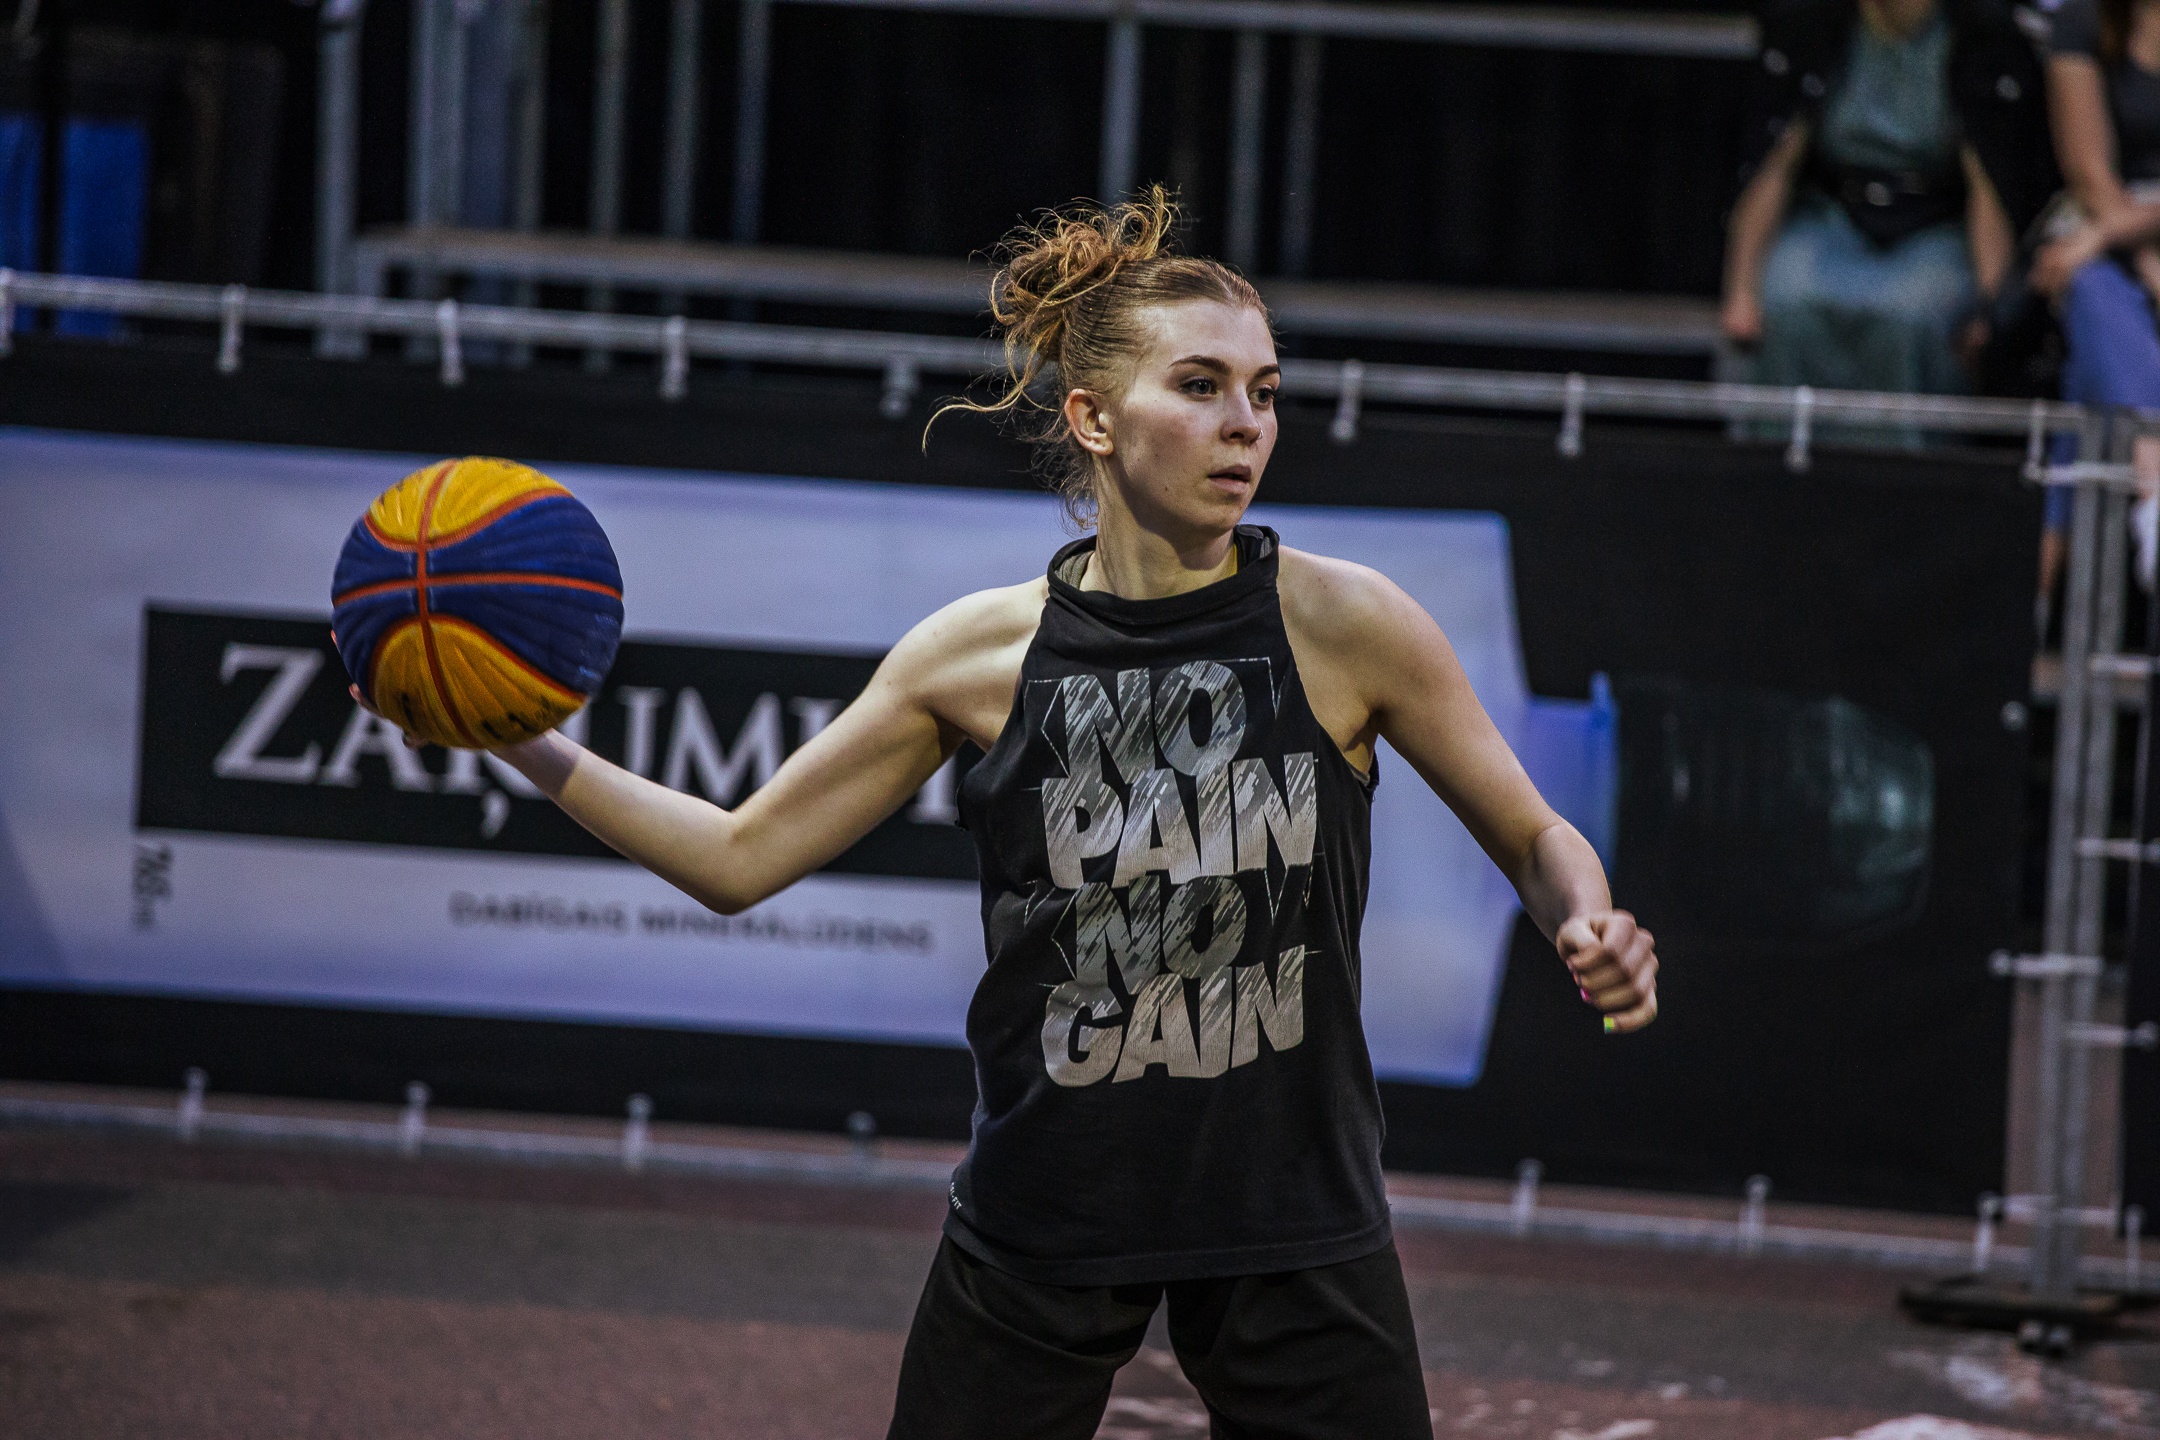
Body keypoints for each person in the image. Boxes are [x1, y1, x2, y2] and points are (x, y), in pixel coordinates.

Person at [358, 189, 1659, 1439]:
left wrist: (1586, 917)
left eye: (1264, 392)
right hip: (1048, 1204)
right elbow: (736, 859)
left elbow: (1535, 836)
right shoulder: (975, 656)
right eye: (1200, 386)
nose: (1245, 425)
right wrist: (521, 741)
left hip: (1292, 1208)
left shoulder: (1348, 623)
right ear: (1092, 417)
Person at [1721, 0, 2049, 416]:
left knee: (1913, 316)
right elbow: (1773, 167)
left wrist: (1992, 313)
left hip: (1934, 225)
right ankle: (1780, 452)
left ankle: (1900, 457)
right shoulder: (1814, 26)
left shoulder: (1978, 37)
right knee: (1786, 294)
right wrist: (1740, 291)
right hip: (1835, 213)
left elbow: (1987, 186)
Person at [2032, 0, 2160, 607]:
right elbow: (2087, 170)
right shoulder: (2083, 19)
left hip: (2109, 236)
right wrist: (2143, 257)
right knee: (2090, 289)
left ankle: (2026, 608)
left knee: (2087, 392)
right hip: (2104, 237)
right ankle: (2157, 491)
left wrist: (2114, 236)